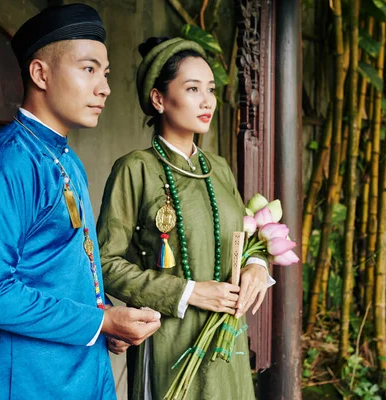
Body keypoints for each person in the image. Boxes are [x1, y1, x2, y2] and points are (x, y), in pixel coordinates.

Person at [0, 5, 161, 399]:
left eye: (105, 74)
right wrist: (101, 322)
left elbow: (71, 266)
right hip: (26, 381)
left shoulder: (65, 158)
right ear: (40, 73)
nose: (104, 88)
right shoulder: (4, 164)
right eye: (89, 69)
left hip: (78, 372)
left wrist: (105, 318)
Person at [96, 37, 276, 399]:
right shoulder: (136, 169)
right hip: (168, 343)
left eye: (210, 89)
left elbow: (247, 237)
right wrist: (190, 292)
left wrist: (257, 265)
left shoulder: (219, 169)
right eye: (192, 88)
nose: (207, 100)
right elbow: (106, 262)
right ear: (158, 99)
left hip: (228, 342)